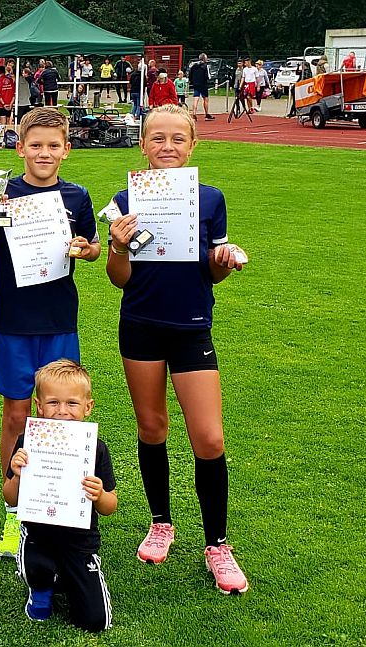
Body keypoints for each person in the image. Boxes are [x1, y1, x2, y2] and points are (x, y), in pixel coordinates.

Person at [105, 104, 250, 595]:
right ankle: (161, 522)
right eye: (157, 138)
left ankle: (218, 546)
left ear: (193, 146)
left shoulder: (210, 200)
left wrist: (225, 261)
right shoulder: (125, 198)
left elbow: (212, 270)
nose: (167, 147)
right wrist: (119, 245)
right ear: (142, 145)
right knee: (153, 427)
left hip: (191, 328)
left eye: (177, 139)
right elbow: (119, 279)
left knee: (209, 439)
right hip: (141, 325)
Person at [0, 107, 100, 558]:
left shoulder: (77, 196)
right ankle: (14, 512)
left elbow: (93, 247)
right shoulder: (5, 193)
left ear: (67, 149)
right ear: (20, 147)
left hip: (59, 320)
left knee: (60, 415)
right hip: (15, 320)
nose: (45, 152)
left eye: (54, 145)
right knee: (16, 416)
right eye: (36, 144)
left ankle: (57, 506)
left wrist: (86, 249)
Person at [3, 359, 115, 632]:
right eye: (52, 403)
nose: (62, 411)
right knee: (37, 564)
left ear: (88, 407)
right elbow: (10, 497)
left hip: (79, 542)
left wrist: (99, 494)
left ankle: (66, 577)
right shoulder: (27, 442)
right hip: (39, 536)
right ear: (39, 406)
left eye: (72, 404)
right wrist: (17, 474)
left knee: (94, 621)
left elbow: (110, 506)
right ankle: (40, 587)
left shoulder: (95, 448)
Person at [188, 53, 213, 120]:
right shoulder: (205, 66)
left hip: (196, 84)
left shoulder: (193, 66)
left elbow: (190, 75)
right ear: (204, 59)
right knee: (206, 99)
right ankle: (207, 114)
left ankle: (194, 113)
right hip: (203, 84)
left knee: (196, 98)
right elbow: (208, 76)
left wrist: (192, 81)